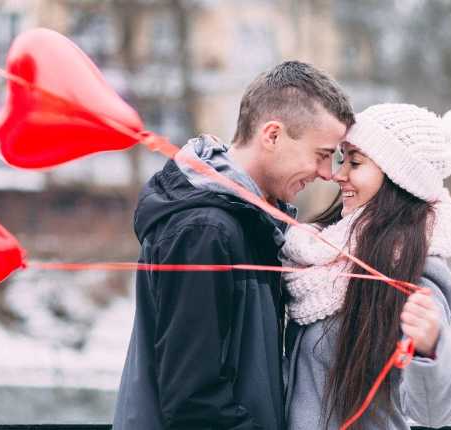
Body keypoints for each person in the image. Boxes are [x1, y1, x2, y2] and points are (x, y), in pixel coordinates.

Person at [112, 61, 354, 430]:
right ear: (272, 135)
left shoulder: (251, 223)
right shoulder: (205, 231)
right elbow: (192, 400)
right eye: (322, 154)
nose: (327, 173)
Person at [282, 103, 451, 429]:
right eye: (341, 159)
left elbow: (434, 413)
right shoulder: (315, 256)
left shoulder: (415, 273)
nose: (338, 174)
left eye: (356, 163)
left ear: (397, 178)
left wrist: (428, 349)